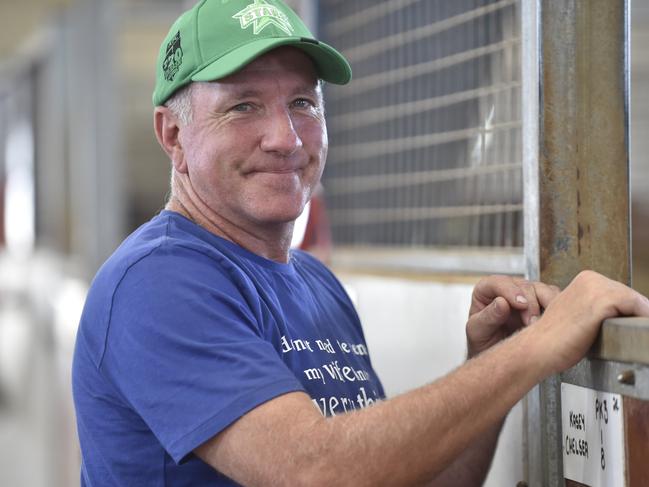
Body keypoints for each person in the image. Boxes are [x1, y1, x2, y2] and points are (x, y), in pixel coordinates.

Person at [71, 1, 649, 485]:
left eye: (303, 103)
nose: (285, 137)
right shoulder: (158, 282)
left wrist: (493, 357)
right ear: (173, 134)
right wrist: (543, 346)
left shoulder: (316, 284)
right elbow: (313, 472)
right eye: (243, 106)